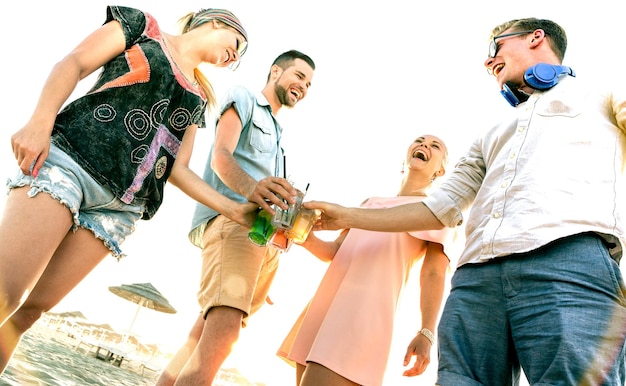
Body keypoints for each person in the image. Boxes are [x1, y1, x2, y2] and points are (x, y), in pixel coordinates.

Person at [306, 18, 626, 385]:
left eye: (496, 49)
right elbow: (437, 209)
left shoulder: (600, 93)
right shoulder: (490, 132)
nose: (489, 63)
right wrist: (345, 215)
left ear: (536, 38)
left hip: (568, 263)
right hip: (476, 280)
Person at [0, 5, 258, 373]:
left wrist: (233, 209)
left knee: (26, 316)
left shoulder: (199, 97)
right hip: (70, 162)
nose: (236, 55)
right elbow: (73, 63)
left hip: (118, 210)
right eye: (238, 43)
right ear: (215, 23)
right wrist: (39, 122)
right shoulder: (142, 27)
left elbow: (178, 169)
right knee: (4, 296)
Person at [156, 49, 316, 385]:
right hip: (234, 224)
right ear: (275, 71)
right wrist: (253, 188)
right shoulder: (242, 97)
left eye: (309, 84)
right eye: (299, 76)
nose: (304, 85)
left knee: (202, 337)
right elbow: (221, 156)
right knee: (223, 336)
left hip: (263, 242)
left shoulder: (280, 138)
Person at [277, 135, 454, 386]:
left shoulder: (434, 211)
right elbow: (334, 251)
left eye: (435, 146)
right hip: (326, 305)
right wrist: (298, 232)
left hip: (363, 314)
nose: (424, 145)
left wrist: (426, 332)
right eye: (420, 140)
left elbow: (434, 274)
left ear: (441, 170)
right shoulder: (369, 203)